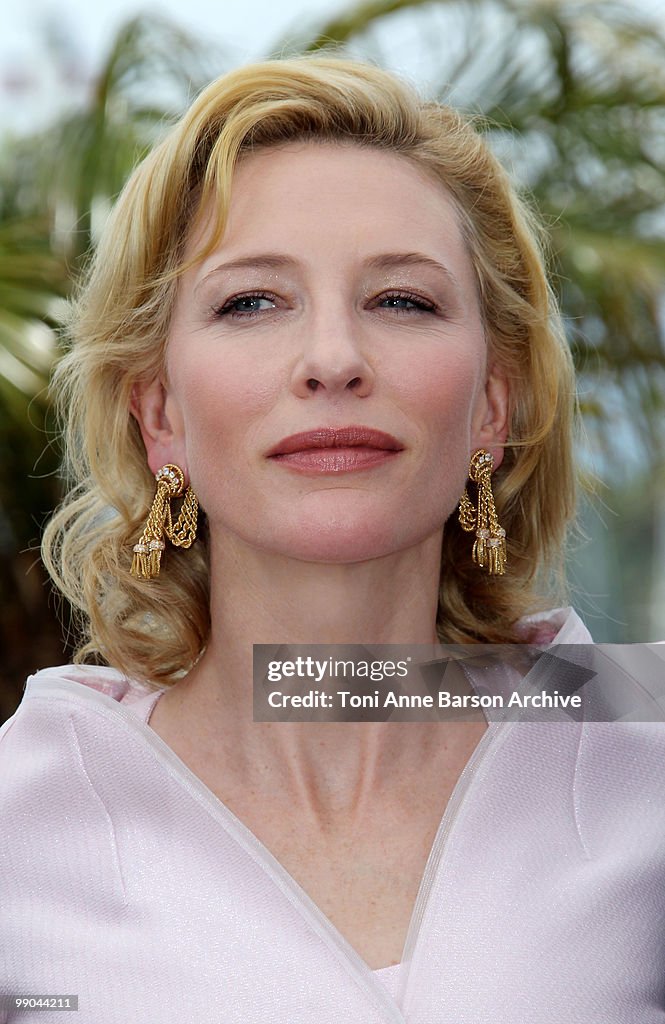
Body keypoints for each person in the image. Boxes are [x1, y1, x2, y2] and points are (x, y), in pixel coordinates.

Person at [1, 54, 663, 1024]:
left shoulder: (635, 751)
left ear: (491, 405)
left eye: (401, 299)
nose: (332, 361)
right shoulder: (26, 814)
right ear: (158, 416)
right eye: (251, 301)